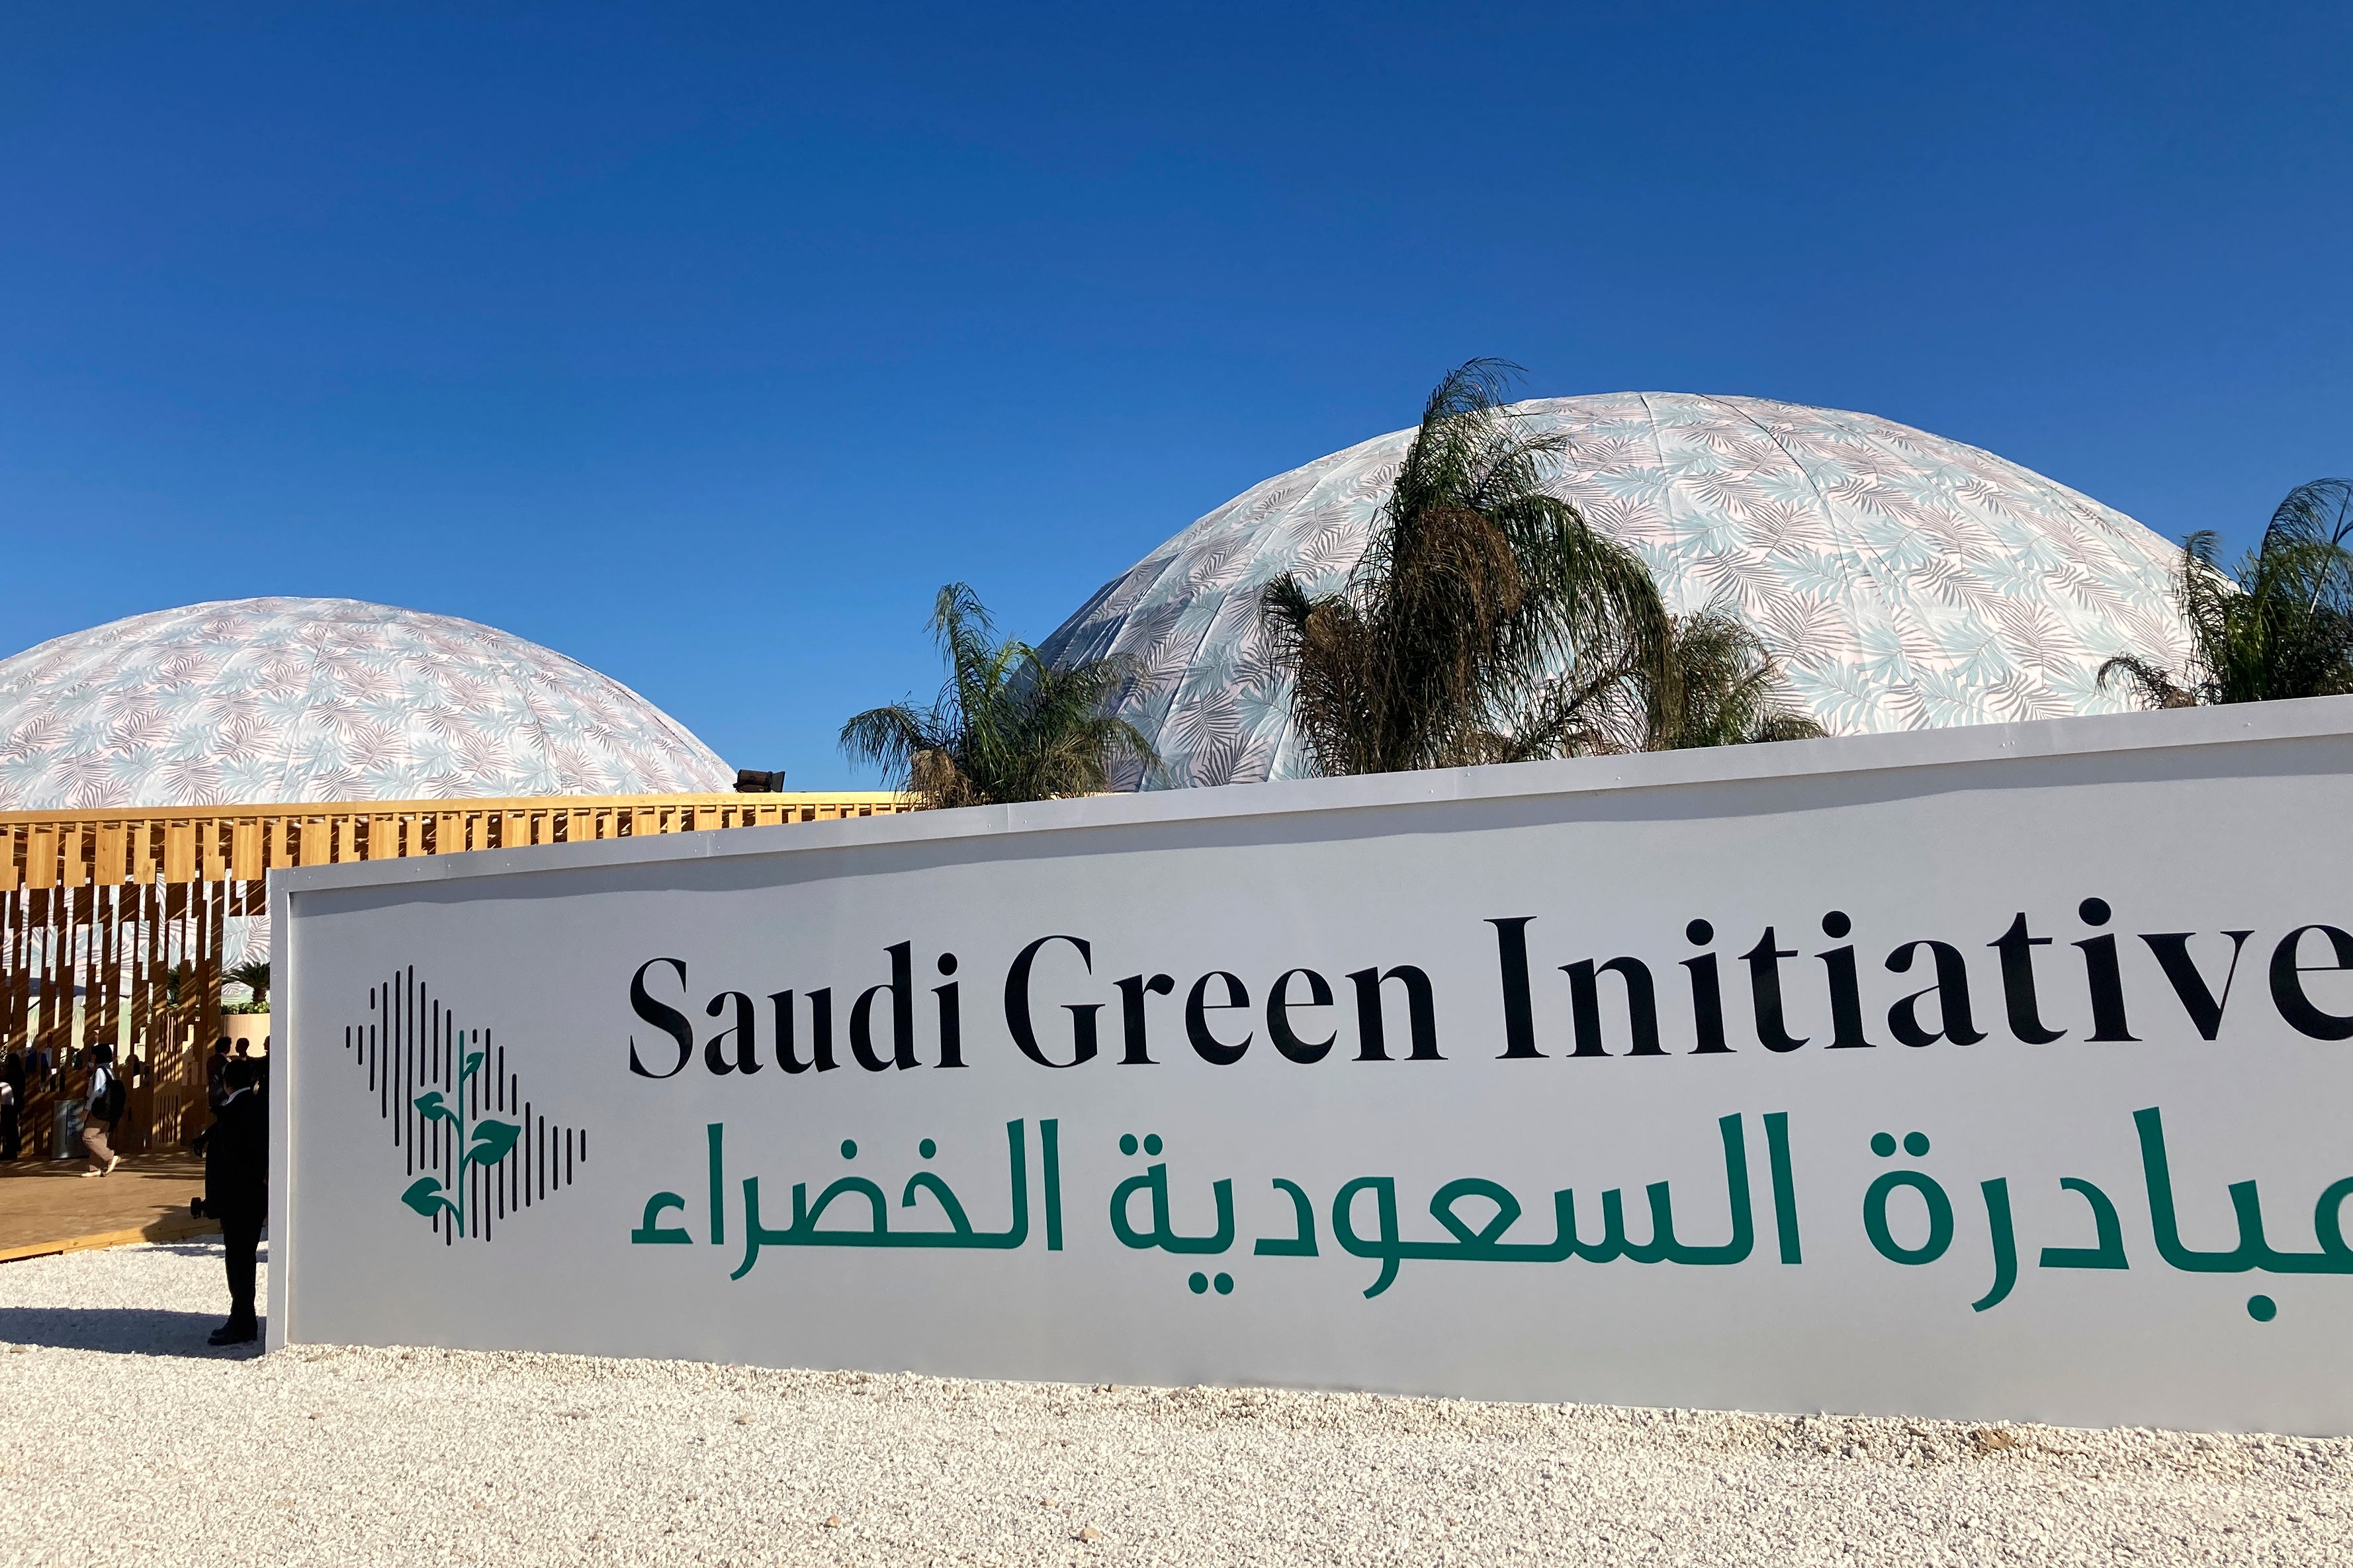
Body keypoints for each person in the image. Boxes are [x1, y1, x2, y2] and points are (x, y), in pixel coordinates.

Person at [204, 1056, 268, 1346]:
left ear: (227, 1084)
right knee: (244, 1256)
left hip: (238, 1196)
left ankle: (243, 1319)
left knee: (239, 1259)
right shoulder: (260, 1107)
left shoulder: (233, 1113)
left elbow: (231, 1160)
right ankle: (242, 1317)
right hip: (254, 1195)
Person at [79, 1044, 122, 1177]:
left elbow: (97, 1092)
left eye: (94, 1054)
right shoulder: (110, 1071)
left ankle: (110, 1157)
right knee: (100, 1136)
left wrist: (87, 1108)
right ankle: (95, 1168)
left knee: (88, 1136)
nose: (92, 1057)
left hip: (99, 1109)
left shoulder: (99, 1071)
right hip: (109, 1110)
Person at [0, 1047, 24, 1162]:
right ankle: (11, 1150)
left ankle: (10, 1150)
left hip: (10, 1103)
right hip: (12, 1103)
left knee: (9, 1127)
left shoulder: (12, 1074)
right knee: (10, 1127)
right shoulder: (18, 1073)